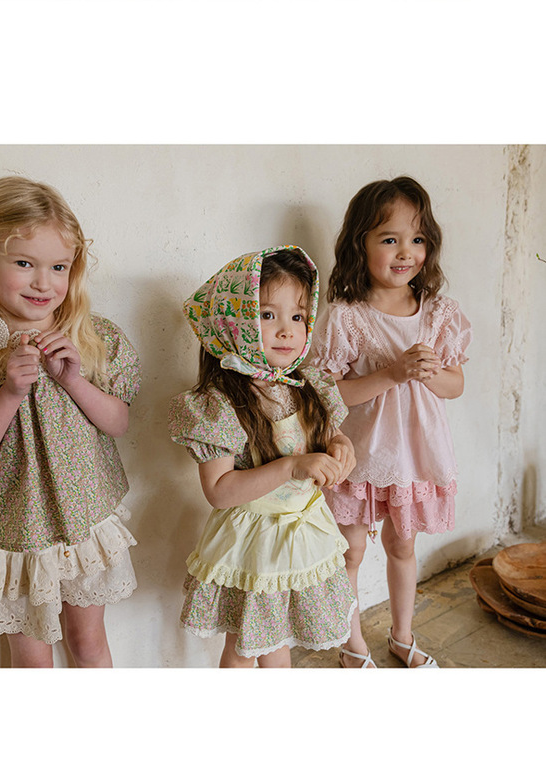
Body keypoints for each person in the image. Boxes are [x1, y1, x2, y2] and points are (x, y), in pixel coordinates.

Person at [0, 176, 141, 668]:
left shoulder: (90, 339)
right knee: (31, 662)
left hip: (83, 521)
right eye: (24, 263)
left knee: (88, 644)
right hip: (15, 534)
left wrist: (73, 380)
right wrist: (9, 393)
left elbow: (118, 423)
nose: (43, 283)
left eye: (58, 267)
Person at [309, 176, 472, 668]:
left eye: (417, 239)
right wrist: (391, 374)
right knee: (351, 552)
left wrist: (431, 372)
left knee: (403, 545)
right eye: (389, 239)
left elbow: (455, 385)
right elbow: (328, 393)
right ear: (359, 244)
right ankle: (352, 643)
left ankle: (402, 636)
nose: (406, 252)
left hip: (413, 456)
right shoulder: (347, 317)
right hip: (360, 454)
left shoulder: (439, 314)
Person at [168, 246, 357, 668]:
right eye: (268, 315)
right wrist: (291, 466)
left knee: (267, 643)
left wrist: (342, 446)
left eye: (298, 316)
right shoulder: (220, 404)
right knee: (248, 651)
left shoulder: (307, 385)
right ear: (233, 323)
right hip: (256, 542)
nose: (287, 331)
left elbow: (332, 434)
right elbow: (219, 491)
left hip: (302, 534)